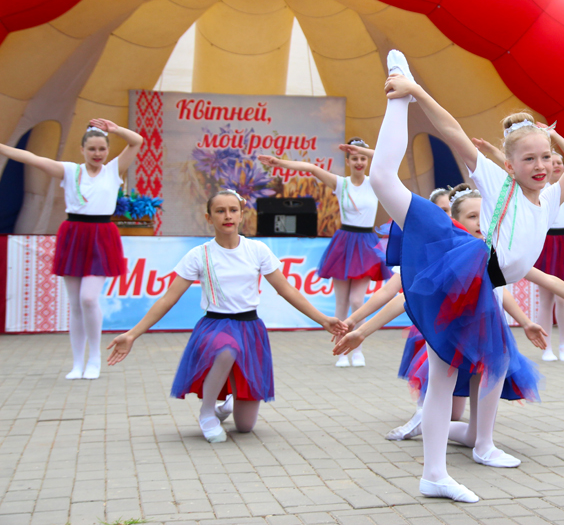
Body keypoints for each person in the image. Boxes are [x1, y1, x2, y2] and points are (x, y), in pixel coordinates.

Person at [366, 48, 564, 502]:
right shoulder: (498, 184)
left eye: (546, 158)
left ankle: (440, 470)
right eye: (529, 160)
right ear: (511, 165)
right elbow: (454, 131)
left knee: (445, 377)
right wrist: (415, 91)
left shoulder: (552, 199)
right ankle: (399, 88)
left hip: (484, 288)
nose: (541, 166)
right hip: (462, 263)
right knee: (382, 180)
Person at [332, 184, 564, 442]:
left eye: (482, 215)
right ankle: (426, 420)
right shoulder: (448, 256)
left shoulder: (498, 255)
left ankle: (461, 435)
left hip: (486, 340)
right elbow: (404, 299)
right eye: (471, 216)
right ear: (456, 220)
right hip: (448, 338)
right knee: (446, 404)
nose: (478, 222)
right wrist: (360, 330)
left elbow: (540, 280)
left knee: (471, 428)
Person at [106, 190, 339, 443]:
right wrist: (132, 334)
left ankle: (224, 405)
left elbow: (286, 290)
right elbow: (167, 299)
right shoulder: (199, 255)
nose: (227, 216)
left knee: (245, 427)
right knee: (226, 350)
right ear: (209, 217)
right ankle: (207, 413)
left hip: (250, 328)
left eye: (233, 210)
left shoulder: (257, 250)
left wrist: (323, 319)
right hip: (215, 326)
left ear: (241, 214)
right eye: (220, 211)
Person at [0, 119, 143, 380]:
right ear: (82, 150)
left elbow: (137, 141)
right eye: (92, 149)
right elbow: (31, 158)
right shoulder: (69, 171)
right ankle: (78, 363)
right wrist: (3, 147)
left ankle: (95, 359)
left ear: (107, 150)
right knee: (76, 304)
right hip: (74, 234)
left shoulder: (113, 170)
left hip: (101, 235)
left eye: (102, 149)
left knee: (89, 298)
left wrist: (115, 130)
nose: (97, 154)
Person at [259, 140, 390, 367]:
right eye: (354, 158)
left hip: (366, 244)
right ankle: (340, 352)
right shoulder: (341, 184)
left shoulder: (375, 182)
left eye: (362, 158)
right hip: (344, 243)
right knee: (341, 304)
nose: (359, 162)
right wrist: (278, 162)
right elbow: (311, 169)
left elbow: (387, 155)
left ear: (367, 160)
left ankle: (357, 349)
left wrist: (361, 149)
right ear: (347, 161)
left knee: (358, 300)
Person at [473, 131, 564, 361]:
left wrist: (555, 135)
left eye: (553, 160)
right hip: (548, 242)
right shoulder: (535, 193)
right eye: (534, 159)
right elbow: (513, 167)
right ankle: (548, 347)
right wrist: (492, 151)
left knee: (562, 296)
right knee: (546, 297)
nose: (552, 165)